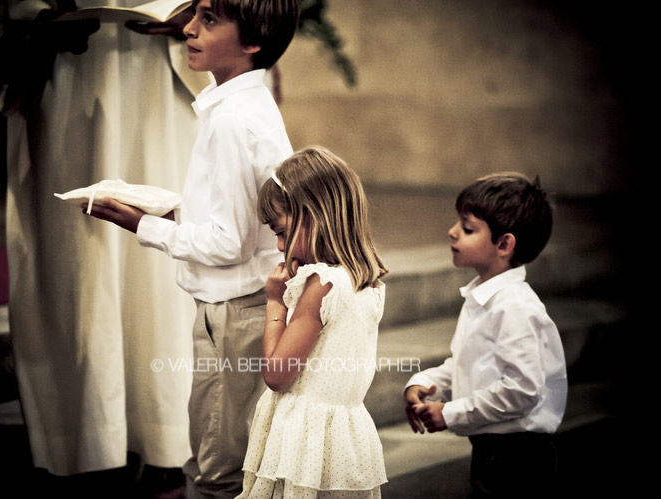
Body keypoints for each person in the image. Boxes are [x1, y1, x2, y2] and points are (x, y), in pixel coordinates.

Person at [86, 1, 301, 496]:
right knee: (237, 454)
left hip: (233, 313)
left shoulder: (231, 121)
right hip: (248, 305)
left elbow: (228, 243)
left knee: (219, 469)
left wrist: (141, 225)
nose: (187, 29)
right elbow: (245, 215)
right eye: (194, 15)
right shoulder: (247, 103)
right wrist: (166, 210)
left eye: (209, 20)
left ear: (252, 43)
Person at [1, 0, 213, 495]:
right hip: (66, 71)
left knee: (164, 270)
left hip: (165, 71)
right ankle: (87, 445)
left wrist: (205, 15)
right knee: (77, 261)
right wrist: (30, 25)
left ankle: (165, 446)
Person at [234, 146, 388, 498]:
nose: (278, 245)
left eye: (282, 232)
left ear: (316, 216)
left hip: (303, 438)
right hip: (344, 435)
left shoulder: (321, 283)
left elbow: (277, 375)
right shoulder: (367, 279)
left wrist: (274, 301)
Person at [404, 173, 568, 498]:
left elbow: (523, 390)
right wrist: (424, 384)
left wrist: (451, 413)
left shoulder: (514, 306)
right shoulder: (483, 297)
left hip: (518, 459)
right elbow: (467, 363)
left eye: (467, 228)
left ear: (504, 245)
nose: (452, 231)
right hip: (491, 449)